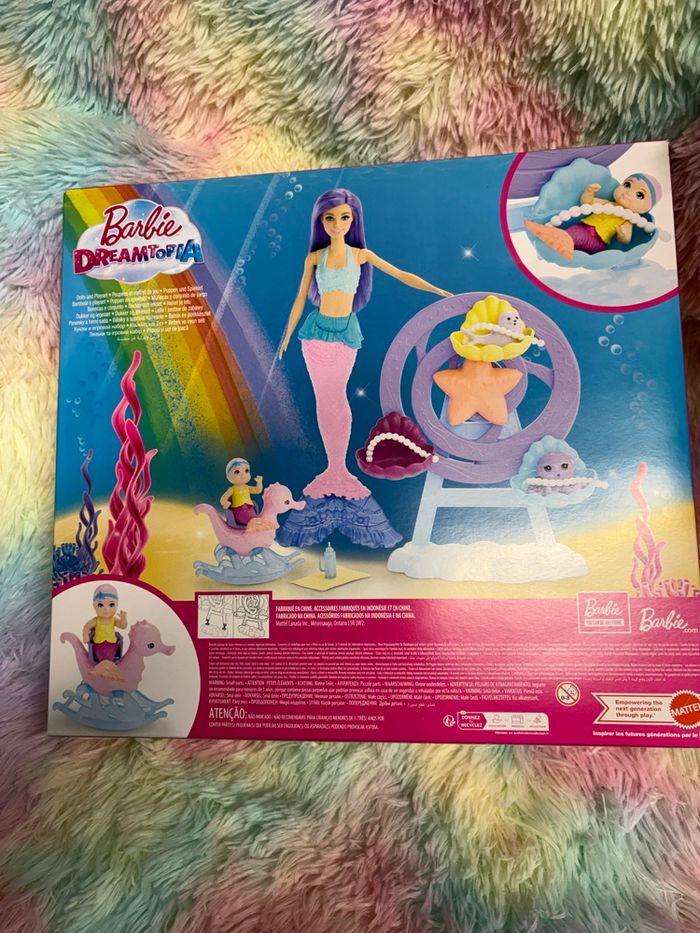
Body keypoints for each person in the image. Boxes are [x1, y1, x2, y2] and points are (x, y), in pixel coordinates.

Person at [278, 187, 451, 500]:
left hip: (345, 333)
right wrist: (288, 333)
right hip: (315, 334)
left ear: (354, 219)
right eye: (330, 218)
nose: (337, 224)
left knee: (337, 397)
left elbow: (401, 274)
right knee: (324, 399)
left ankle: (339, 469)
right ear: (320, 221)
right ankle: (333, 467)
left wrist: (436, 290)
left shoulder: (360, 255)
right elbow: (299, 298)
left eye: (344, 217)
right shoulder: (315, 257)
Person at [524, 173, 661, 261]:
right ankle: (553, 243)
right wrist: (589, 192)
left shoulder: (628, 219)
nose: (628, 193)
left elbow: (625, 241)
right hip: (582, 227)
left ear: (646, 209)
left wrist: (623, 236)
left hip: (597, 240)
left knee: (573, 236)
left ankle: (557, 244)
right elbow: (587, 202)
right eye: (627, 185)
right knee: (572, 232)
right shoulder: (607, 204)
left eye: (639, 195)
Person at [81, 583, 127, 663]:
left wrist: (123, 618)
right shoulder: (96, 621)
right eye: (101, 605)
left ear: (117, 605)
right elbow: (87, 626)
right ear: (94, 606)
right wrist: (85, 636)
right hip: (98, 645)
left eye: (111, 605)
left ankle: (108, 664)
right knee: (102, 659)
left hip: (112, 645)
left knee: (110, 658)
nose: (106, 609)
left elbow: (122, 626)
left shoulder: (113, 620)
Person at [219, 457, 263, 526]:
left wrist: (259, 483)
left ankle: (255, 523)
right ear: (229, 476)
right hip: (238, 510)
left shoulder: (247, 487)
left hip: (250, 509)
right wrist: (225, 503)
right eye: (237, 472)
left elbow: (257, 490)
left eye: (246, 471)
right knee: (251, 519)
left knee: (254, 518)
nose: (243, 474)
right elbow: (223, 498)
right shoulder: (233, 489)